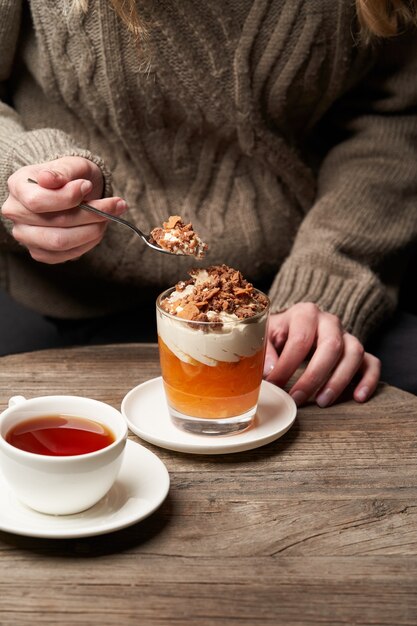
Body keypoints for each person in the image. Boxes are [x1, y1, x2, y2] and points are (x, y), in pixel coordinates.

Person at [1, 0, 417, 407]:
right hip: (65, 295)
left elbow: (392, 115)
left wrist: (329, 275)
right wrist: (25, 172)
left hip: (287, 295)